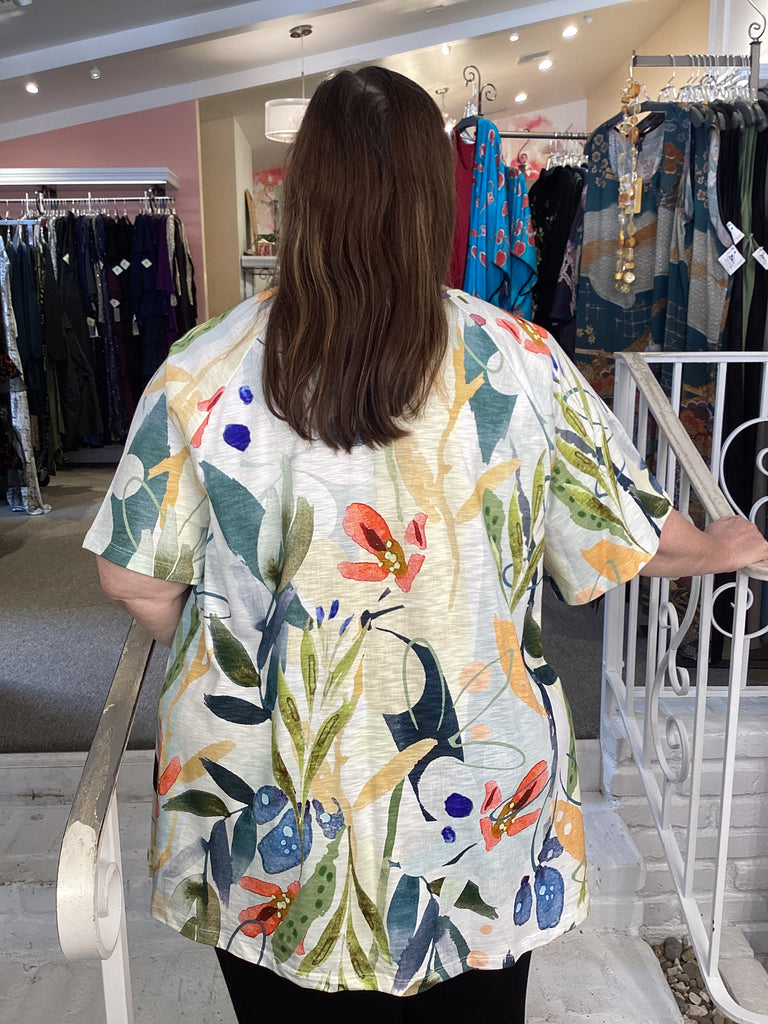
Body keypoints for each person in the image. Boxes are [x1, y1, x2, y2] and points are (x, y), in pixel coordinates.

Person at [84, 67, 768, 1024]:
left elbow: (131, 579)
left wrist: (227, 635)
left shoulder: (199, 369)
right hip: (474, 810)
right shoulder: (522, 362)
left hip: (272, 813)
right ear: (432, 201)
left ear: (304, 194)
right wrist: (722, 547)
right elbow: (630, 534)